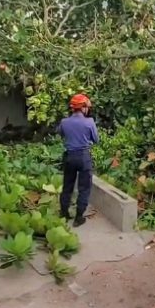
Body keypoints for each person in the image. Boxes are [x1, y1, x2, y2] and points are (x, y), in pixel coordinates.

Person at [57, 94, 99, 227]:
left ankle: (64, 213)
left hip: (69, 156)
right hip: (83, 156)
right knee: (84, 187)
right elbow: (96, 140)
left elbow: (60, 133)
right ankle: (79, 217)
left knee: (67, 185)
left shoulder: (64, 122)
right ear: (84, 108)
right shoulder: (89, 122)